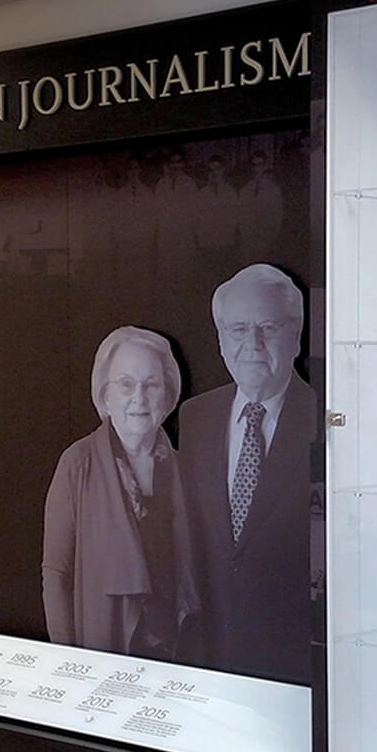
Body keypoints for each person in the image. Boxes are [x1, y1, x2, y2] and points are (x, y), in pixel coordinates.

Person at [178, 263, 315, 682]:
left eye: (268, 328)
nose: (252, 344)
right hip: (207, 657)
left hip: (293, 666)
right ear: (221, 340)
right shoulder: (195, 417)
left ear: (295, 336)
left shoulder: (324, 419)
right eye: (238, 330)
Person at [42, 326, 201, 661]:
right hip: (105, 642)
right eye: (126, 384)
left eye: (151, 384)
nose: (139, 398)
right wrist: (66, 661)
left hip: (175, 648)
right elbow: (56, 574)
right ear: (106, 394)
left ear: (167, 393)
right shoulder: (76, 464)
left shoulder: (182, 467)